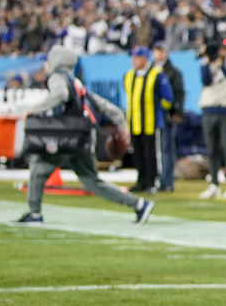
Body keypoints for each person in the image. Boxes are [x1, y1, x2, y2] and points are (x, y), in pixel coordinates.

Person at [16, 47, 153, 225]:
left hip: (67, 138)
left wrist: (34, 111)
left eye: (48, 59)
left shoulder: (58, 77)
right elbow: (105, 105)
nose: (45, 64)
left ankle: (34, 213)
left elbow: (60, 94)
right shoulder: (76, 82)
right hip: (84, 137)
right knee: (92, 181)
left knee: (38, 169)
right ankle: (139, 204)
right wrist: (122, 125)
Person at [123, 46, 173, 193]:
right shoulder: (129, 76)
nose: (134, 60)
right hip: (134, 122)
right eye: (133, 57)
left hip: (151, 122)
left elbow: (167, 98)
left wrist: (160, 113)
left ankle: (151, 182)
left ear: (145, 59)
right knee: (138, 154)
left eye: (137, 57)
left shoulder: (156, 74)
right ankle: (141, 181)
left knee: (151, 154)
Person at [198, 35, 226, 200]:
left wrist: (222, 65)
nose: (223, 51)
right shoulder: (207, 64)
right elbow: (205, 80)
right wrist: (209, 60)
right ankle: (214, 184)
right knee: (212, 150)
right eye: (220, 48)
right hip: (209, 110)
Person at [152, 41, 185, 192]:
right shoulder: (150, 70)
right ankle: (156, 178)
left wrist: (177, 112)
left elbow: (179, 93)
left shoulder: (173, 72)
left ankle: (167, 180)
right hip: (151, 115)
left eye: (161, 51)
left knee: (166, 148)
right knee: (155, 148)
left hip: (166, 115)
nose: (159, 54)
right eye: (156, 51)